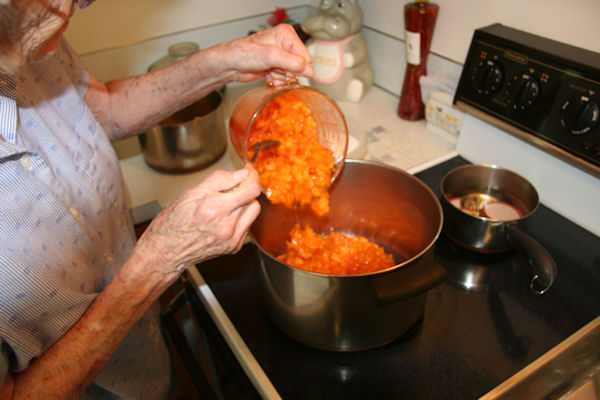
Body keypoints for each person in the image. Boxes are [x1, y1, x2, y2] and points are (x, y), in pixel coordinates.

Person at [0, 0, 314, 398]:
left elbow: (107, 110)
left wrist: (226, 62)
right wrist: (157, 262)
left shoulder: (30, 39)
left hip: (140, 351)